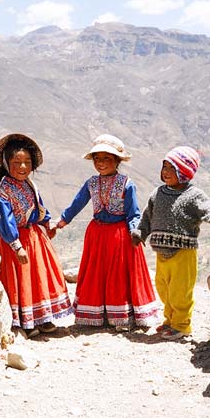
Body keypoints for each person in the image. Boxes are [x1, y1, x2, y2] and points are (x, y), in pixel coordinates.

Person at [53, 134, 160, 331]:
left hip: (119, 235)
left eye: (107, 158)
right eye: (97, 158)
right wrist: (63, 220)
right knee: (97, 272)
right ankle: (98, 313)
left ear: (117, 161)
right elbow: (77, 203)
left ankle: (121, 315)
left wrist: (134, 232)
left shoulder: (127, 184)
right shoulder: (91, 183)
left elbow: (133, 212)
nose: (101, 163)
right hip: (97, 234)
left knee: (117, 274)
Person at [132, 146, 210, 340]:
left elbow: (209, 210)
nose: (166, 172)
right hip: (161, 252)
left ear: (184, 173)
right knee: (163, 288)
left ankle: (182, 326)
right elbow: (147, 217)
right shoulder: (157, 194)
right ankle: (170, 321)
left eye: (172, 168)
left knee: (180, 292)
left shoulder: (193, 195)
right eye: (164, 167)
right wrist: (140, 233)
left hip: (183, 253)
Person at [0, 133, 73, 338]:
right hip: (15, 241)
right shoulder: (3, 192)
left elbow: (39, 206)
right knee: (21, 280)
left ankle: (43, 317)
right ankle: (23, 321)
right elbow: (5, 220)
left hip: (35, 238)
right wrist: (16, 245)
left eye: (27, 162)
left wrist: (48, 224)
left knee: (39, 277)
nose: (22, 167)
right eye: (17, 162)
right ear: (6, 164)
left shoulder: (29, 184)